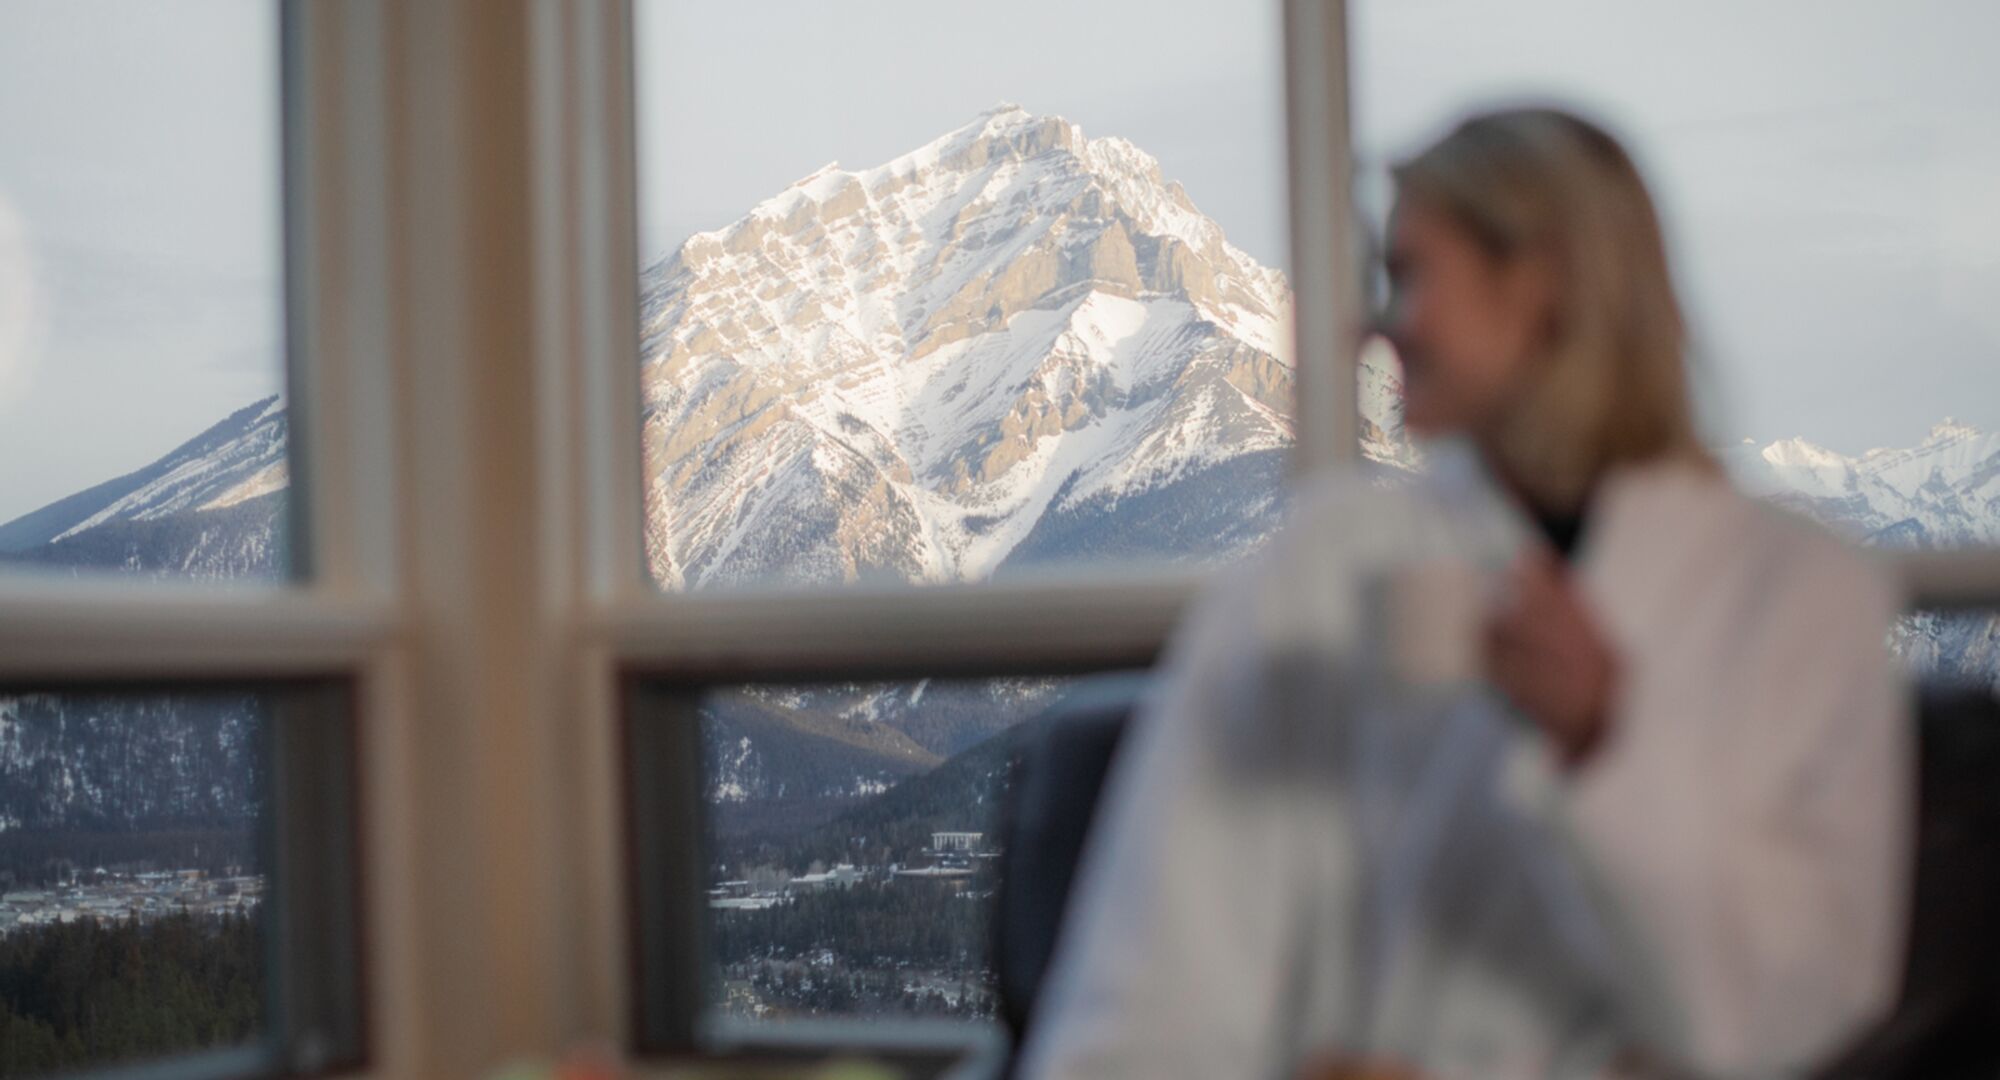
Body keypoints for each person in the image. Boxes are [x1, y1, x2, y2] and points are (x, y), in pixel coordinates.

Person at [1015, 107, 1912, 1080]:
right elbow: (1150, 990)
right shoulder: (1317, 572)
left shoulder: (1802, 596)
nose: (1375, 326)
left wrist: (1605, 746)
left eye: (1410, 276)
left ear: (1542, 287)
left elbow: (1796, 1010)